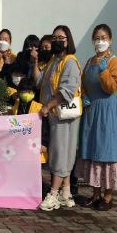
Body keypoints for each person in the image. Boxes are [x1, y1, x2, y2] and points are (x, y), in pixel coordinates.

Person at [33, 25, 82, 211]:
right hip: (54, 116)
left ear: (68, 40)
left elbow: (66, 92)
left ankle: (53, 194)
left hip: (64, 115)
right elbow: (39, 82)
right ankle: (66, 193)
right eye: (54, 38)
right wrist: (35, 61)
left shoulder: (70, 62)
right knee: (61, 151)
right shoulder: (54, 61)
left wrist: (48, 106)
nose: (57, 41)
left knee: (61, 153)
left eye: (60, 37)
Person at [76, 24, 117, 211]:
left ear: (110, 40)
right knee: (92, 151)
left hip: (106, 112)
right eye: (97, 38)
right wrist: (83, 95)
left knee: (106, 151)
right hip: (91, 110)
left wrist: (104, 71)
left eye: (103, 38)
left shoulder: (114, 61)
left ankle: (108, 196)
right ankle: (95, 194)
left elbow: (112, 87)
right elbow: (82, 83)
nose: (100, 41)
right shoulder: (89, 62)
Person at [11, 77, 48, 164]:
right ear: (19, 92)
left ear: (34, 93)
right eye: (24, 91)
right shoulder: (15, 105)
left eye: (30, 92)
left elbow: (45, 127)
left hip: (34, 143)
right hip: (18, 143)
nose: (27, 94)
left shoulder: (39, 107)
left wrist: (44, 143)